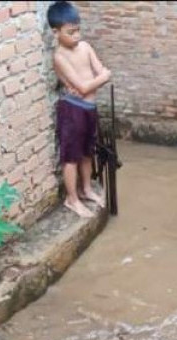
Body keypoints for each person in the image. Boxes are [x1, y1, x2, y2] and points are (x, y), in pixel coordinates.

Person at [48, 1, 110, 218]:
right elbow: (86, 85)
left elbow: (101, 72)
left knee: (87, 152)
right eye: (70, 32)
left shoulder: (85, 47)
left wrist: (101, 76)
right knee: (71, 156)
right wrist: (102, 77)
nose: (76, 36)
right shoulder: (59, 57)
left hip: (89, 108)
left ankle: (86, 189)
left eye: (78, 30)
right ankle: (71, 199)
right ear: (55, 32)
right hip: (72, 110)